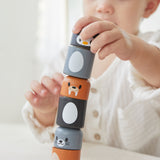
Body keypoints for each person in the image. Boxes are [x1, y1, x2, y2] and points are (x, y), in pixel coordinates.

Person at [22, 0, 160, 157]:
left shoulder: (150, 47)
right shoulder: (64, 58)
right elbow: (48, 129)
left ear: (149, 6)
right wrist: (46, 111)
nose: (103, 6)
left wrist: (136, 50)